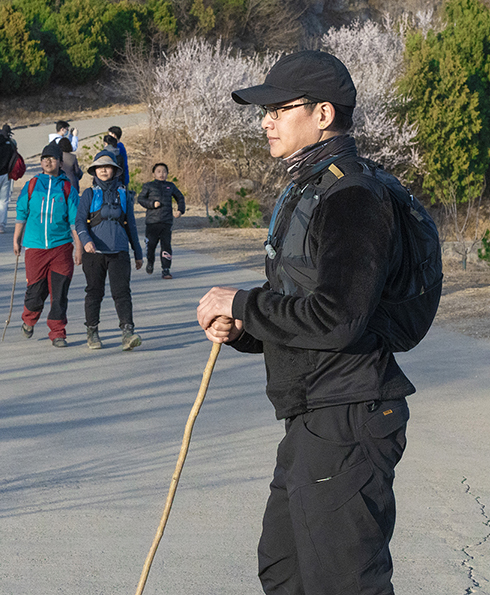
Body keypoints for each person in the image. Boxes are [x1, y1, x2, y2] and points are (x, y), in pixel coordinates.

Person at [195, 50, 416, 595]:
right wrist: (244, 329)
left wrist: (243, 304)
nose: (265, 120)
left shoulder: (353, 195)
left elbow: (338, 317)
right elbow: (305, 309)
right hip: (314, 413)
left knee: (343, 584)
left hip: (350, 414)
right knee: (285, 569)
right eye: (262, 110)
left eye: (277, 108)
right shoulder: (311, 187)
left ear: (323, 114)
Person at [13, 143, 82, 348]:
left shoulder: (67, 187)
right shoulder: (32, 184)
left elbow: (74, 221)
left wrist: (79, 248)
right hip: (34, 247)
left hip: (60, 247)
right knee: (35, 292)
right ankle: (29, 318)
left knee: (59, 293)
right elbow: (21, 212)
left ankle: (58, 332)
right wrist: (16, 239)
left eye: (52, 158)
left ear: (60, 162)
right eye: (44, 159)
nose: (48, 161)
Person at [75, 152, 143, 351]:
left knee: (122, 293)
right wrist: (86, 241)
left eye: (107, 166)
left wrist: (137, 252)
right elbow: (79, 221)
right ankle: (92, 331)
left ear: (114, 170)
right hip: (94, 252)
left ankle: (128, 333)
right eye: (100, 167)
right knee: (94, 292)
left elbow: (130, 224)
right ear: (95, 171)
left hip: (119, 250)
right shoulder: (89, 194)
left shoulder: (123, 194)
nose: (104, 170)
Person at [137, 162, 186, 278]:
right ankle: (150, 262)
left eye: (164, 171)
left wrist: (180, 211)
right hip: (152, 222)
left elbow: (180, 198)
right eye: (158, 171)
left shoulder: (171, 186)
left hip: (166, 221)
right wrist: (152, 204)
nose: (161, 174)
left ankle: (166, 269)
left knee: (166, 246)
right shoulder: (148, 186)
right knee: (151, 245)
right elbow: (140, 199)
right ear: (153, 173)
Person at [50, 121, 84, 189]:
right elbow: (72, 148)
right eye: (67, 129)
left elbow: (67, 144)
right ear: (62, 129)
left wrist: (70, 136)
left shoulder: (54, 139)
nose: (67, 131)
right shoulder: (59, 140)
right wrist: (75, 136)